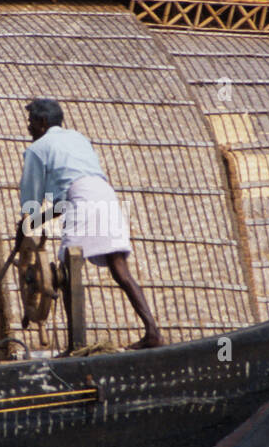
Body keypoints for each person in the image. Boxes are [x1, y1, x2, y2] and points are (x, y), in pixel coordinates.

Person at [18, 98, 163, 349]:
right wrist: (33, 224)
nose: (28, 128)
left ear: (42, 122)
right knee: (120, 268)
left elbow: (32, 198)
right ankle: (153, 332)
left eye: (31, 123)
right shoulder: (78, 138)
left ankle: (76, 346)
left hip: (81, 199)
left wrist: (24, 225)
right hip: (104, 195)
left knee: (66, 271)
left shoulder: (38, 149)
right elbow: (62, 202)